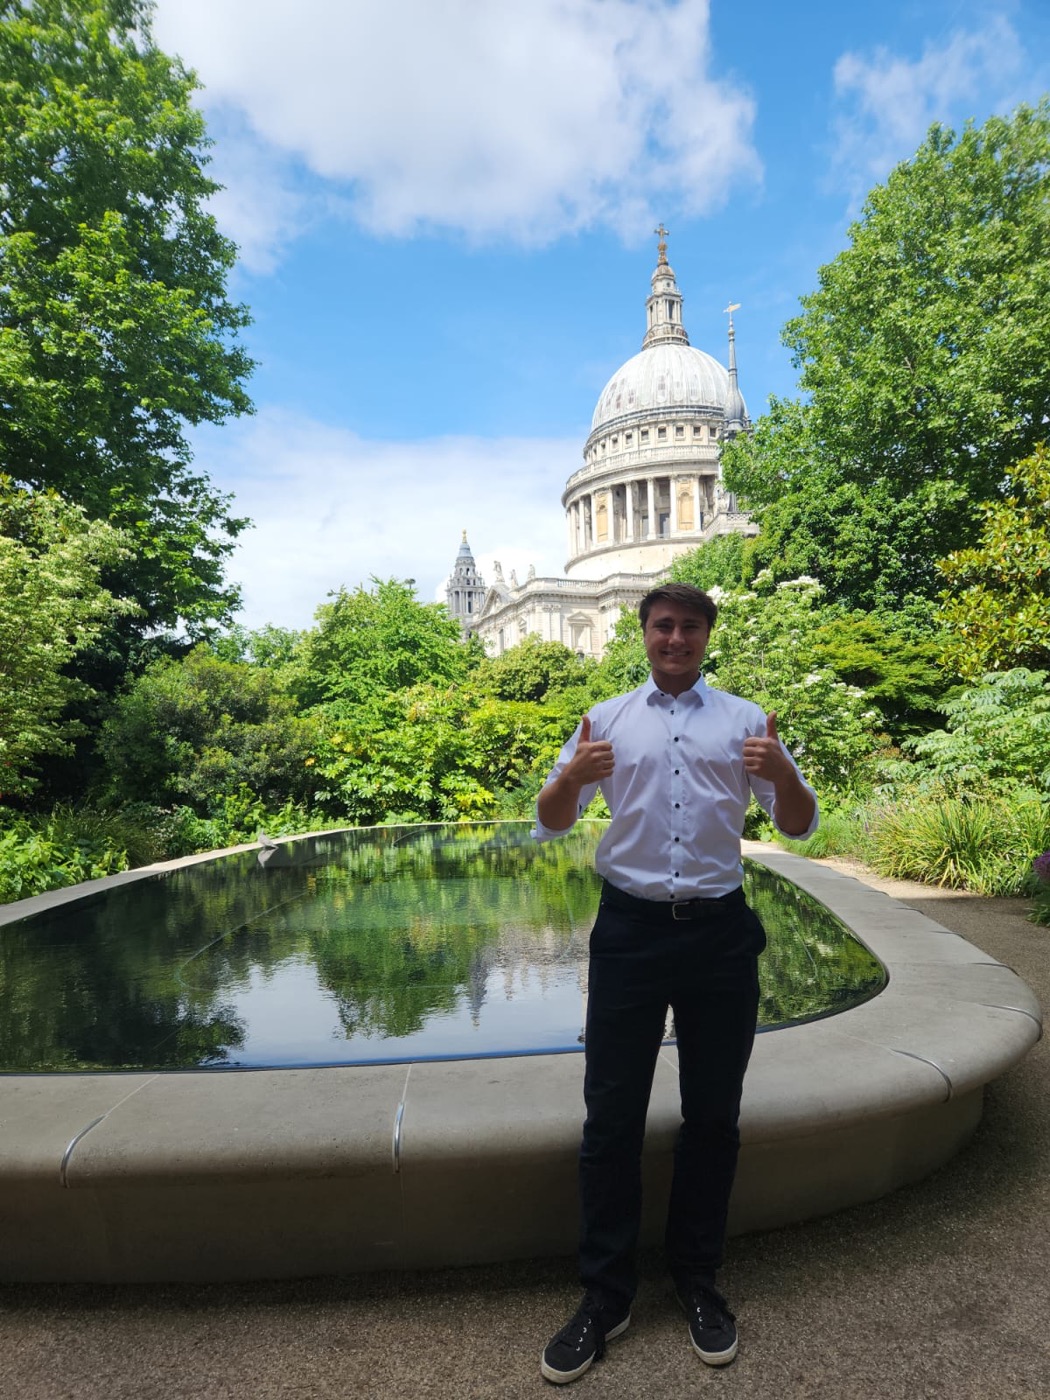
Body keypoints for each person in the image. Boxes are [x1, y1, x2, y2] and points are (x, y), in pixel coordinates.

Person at [535, 582, 818, 1385]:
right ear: (645, 632)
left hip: (719, 933)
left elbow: (798, 823)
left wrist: (783, 773)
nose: (676, 638)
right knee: (610, 1116)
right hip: (628, 930)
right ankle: (605, 1295)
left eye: (690, 627)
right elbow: (552, 819)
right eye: (664, 625)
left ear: (705, 636)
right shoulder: (604, 719)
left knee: (714, 1115)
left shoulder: (747, 720)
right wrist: (572, 776)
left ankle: (698, 1279)